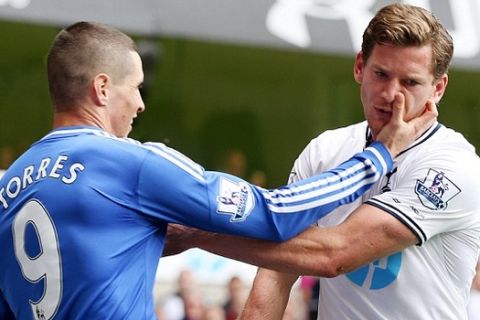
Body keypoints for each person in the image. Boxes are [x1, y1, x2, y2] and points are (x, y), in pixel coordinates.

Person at [0, 21, 433, 320]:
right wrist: (376, 157)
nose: (140, 103)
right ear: (101, 89)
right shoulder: (129, 163)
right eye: (135, 87)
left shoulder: (9, 187)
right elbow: (273, 212)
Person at [165, 3, 480, 319]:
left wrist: (199, 234)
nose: (390, 94)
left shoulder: (454, 168)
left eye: (410, 82)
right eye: (381, 74)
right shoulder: (325, 150)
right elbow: (275, 275)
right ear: (359, 67)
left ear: (437, 89)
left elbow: (336, 253)